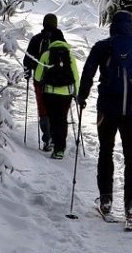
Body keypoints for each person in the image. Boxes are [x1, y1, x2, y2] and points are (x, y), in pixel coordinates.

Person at [76, 10, 132, 226]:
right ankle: (131, 203)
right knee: (131, 154)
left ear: (113, 26)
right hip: (131, 110)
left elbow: (88, 72)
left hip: (107, 109)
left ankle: (106, 199)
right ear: (131, 26)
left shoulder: (103, 46)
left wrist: (81, 96)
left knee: (106, 152)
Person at [34, 27, 80, 159]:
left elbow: (37, 76)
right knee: (62, 120)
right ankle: (61, 148)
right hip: (66, 95)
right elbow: (76, 76)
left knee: (53, 120)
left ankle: (55, 144)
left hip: (50, 93)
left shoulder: (46, 55)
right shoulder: (70, 55)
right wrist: (77, 93)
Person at [23, 14, 60, 151]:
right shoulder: (60, 40)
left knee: (43, 109)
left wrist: (28, 72)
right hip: (57, 81)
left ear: (44, 24)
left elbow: (27, 59)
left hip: (40, 81)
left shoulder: (36, 40)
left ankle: (48, 138)